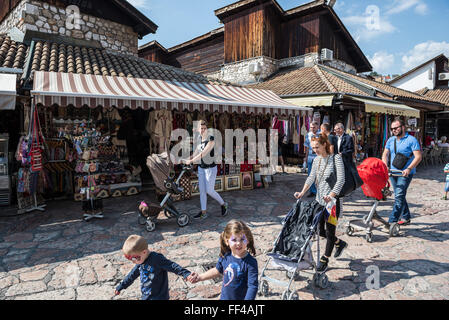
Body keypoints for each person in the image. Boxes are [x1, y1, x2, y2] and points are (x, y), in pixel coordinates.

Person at [294, 134, 348, 273]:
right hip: (319, 201)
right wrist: (302, 192)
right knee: (319, 230)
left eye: (317, 147)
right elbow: (311, 177)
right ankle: (339, 243)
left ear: (324, 144)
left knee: (330, 231)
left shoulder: (336, 158)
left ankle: (325, 258)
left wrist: (331, 195)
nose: (315, 150)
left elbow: (341, 180)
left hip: (333, 203)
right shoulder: (317, 160)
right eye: (313, 148)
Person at [190, 220, 258, 300]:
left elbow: (252, 286)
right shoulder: (226, 256)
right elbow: (217, 270)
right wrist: (200, 277)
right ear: (227, 241)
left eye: (242, 239)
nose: (238, 243)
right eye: (234, 240)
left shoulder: (250, 263)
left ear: (248, 240)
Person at [114, 235, 197, 300]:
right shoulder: (140, 261)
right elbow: (132, 275)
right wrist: (121, 286)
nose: (133, 261)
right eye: (129, 258)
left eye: (134, 258)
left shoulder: (157, 259)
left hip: (159, 297)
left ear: (144, 252)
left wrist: (186, 274)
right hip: (146, 296)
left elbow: (172, 266)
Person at [183, 120, 229, 219]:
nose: (203, 130)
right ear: (198, 129)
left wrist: (191, 161)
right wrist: (188, 158)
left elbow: (203, 153)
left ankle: (223, 204)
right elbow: (196, 152)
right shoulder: (199, 139)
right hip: (201, 168)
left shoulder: (211, 139)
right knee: (202, 191)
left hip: (210, 168)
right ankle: (203, 212)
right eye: (201, 128)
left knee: (209, 190)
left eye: (204, 128)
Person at [382, 119, 422, 226]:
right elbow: (385, 154)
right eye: (392, 129)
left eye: (396, 128)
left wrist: (409, 169)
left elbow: (418, 157)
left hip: (405, 173)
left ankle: (392, 221)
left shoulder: (411, 140)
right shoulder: (390, 140)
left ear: (403, 127)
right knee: (400, 195)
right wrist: (385, 166)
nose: (394, 130)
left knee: (398, 196)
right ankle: (406, 217)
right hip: (393, 172)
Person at [304, 121, 320, 197]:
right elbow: (306, 147)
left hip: (318, 157)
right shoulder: (308, 135)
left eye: (314, 127)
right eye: (311, 127)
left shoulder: (321, 135)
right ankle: (312, 191)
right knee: (310, 175)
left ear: (317, 127)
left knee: (319, 175)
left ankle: (320, 191)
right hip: (310, 157)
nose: (312, 129)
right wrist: (306, 157)